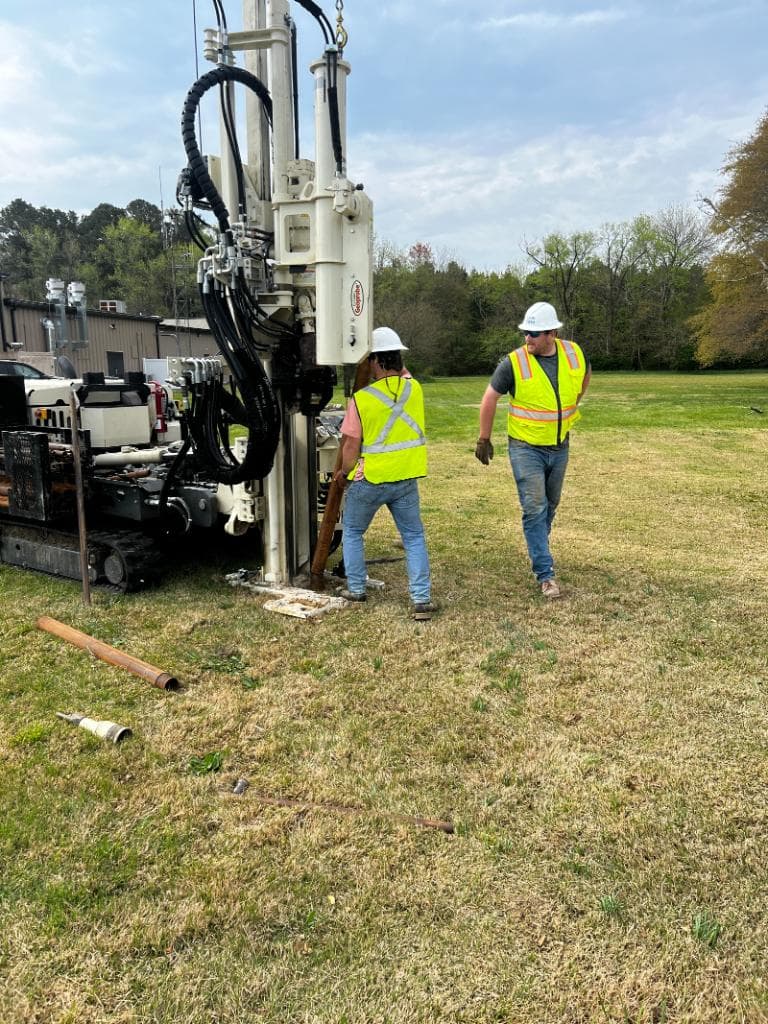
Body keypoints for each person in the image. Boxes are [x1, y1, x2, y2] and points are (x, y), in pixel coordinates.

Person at [475, 301, 590, 598]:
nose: (528, 339)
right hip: (525, 447)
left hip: (559, 444)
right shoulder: (514, 362)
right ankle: (545, 574)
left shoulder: (573, 353)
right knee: (535, 507)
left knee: (550, 505)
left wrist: (573, 403)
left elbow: (585, 374)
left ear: (552, 333)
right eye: (526, 333)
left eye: (534, 334)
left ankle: (538, 543)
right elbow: (489, 398)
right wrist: (484, 438)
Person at [334, 327, 436, 621]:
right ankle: (421, 600)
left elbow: (351, 445)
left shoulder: (362, 400)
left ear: (374, 361)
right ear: (398, 359)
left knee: (353, 532)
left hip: (371, 479)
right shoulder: (414, 389)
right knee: (414, 537)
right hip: (406, 478)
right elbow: (404, 374)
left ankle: (356, 589)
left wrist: (344, 472)